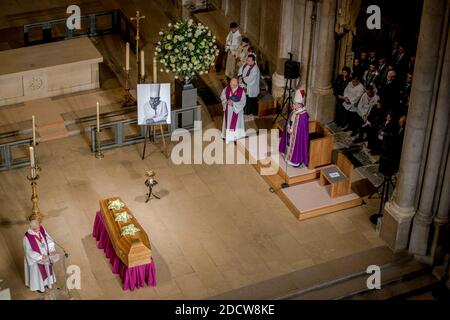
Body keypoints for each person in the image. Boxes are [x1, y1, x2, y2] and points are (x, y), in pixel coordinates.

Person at [23, 218, 57, 293]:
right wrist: (40, 257)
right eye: (35, 229)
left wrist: (51, 250)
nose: (38, 230)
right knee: (38, 273)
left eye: (38, 227)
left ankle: (49, 284)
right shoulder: (27, 237)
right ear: (31, 228)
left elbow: (48, 239)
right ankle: (40, 287)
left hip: (46, 256)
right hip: (37, 260)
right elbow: (28, 251)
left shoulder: (41, 229)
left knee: (48, 269)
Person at [279, 88, 309, 168]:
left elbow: (300, 128)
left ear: (299, 104)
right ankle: (289, 157)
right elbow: (290, 120)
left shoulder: (303, 115)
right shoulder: (294, 110)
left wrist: (291, 130)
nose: (293, 105)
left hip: (297, 136)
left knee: (296, 147)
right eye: (293, 103)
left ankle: (295, 160)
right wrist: (288, 126)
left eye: (295, 104)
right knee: (289, 145)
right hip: (290, 132)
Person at [220, 78, 246, 144]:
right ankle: (227, 135)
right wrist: (226, 101)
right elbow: (222, 96)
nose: (231, 86)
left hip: (236, 111)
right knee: (227, 122)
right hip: (228, 110)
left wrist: (234, 104)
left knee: (236, 123)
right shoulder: (227, 88)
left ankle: (236, 136)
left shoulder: (241, 91)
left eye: (234, 85)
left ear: (237, 84)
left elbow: (243, 102)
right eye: (231, 84)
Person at [238, 54, 260, 120]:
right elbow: (240, 70)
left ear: (253, 61)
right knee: (244, 98)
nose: (247, 61)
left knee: (250, 100)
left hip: (251, 87)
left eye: (249, 60)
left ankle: (249, 112)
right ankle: (244, 110)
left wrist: (242, 79)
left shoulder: (255, 69)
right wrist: (240, 76)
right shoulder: (246, 64)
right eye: (247, 60)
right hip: (245, 84)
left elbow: (250, 79)